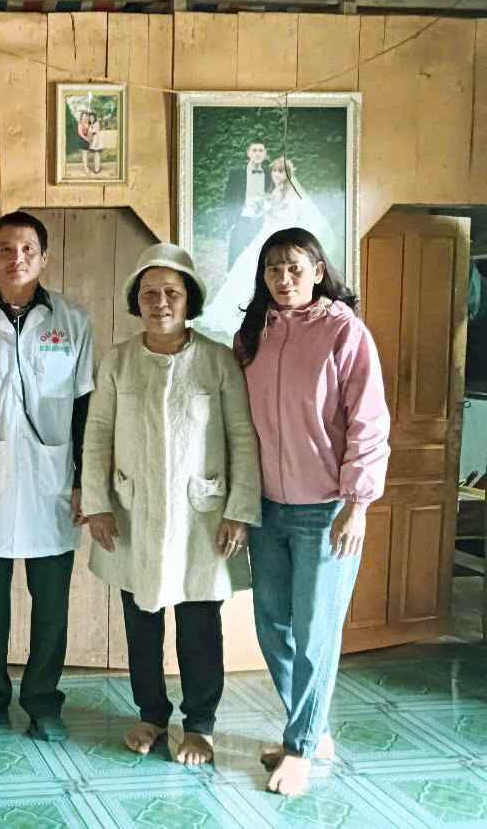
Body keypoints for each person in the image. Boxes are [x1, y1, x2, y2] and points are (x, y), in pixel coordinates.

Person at [83, 243, 262, 767]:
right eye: (149, 294)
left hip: (201, 516)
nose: (160, 302)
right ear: (136, 302)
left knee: (200, 624)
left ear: (189, 300)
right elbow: (96, 436)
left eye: (171, 293)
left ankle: (200, 724)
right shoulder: (118, 360)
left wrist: (238, 510)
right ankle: (151, 715)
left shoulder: (217, 359)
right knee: (141, 620)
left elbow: (242, 438)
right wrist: (97, 503)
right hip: (133, 511)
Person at [235, 228, 390, 797]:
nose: (283, 279)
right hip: (267, 509)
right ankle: (312, 726)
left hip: (326, 512)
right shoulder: (253, 335)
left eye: (295, 268)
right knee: (272, 625)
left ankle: (300, 747)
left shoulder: (344, 332)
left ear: (318, 271)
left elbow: (368, 423)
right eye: (274, 269)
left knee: (315, 631)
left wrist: (359, 504)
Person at [0, 210, 93, 742]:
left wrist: (84, 481)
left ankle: (42, 700)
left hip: (53, 478)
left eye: (27, 250)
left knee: (51, 602)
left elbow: (85, 407)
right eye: (5, 250)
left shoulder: (72, 322)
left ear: (44, 258)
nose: (16, 259)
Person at [198, 156, 333, 342]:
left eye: (280, 171)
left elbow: (292, 216)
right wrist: (264, 208)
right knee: (246, 269)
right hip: (265, 234)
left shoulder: (293, 194)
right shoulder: (275, 190)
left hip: (277, 236)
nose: (277, 175)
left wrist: (272, 211)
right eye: (275, 171)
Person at [223, 140, 273, 269]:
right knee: (236, 256)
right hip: (241, 220)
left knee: (260, 257)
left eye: (260, 150)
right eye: (254, 150)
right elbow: (228, 198)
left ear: (265, 154)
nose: (257, 153)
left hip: (261, 222)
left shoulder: (270, 173)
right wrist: (232, 222)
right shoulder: (236, 173)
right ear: (248, 153)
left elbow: (273, 196)